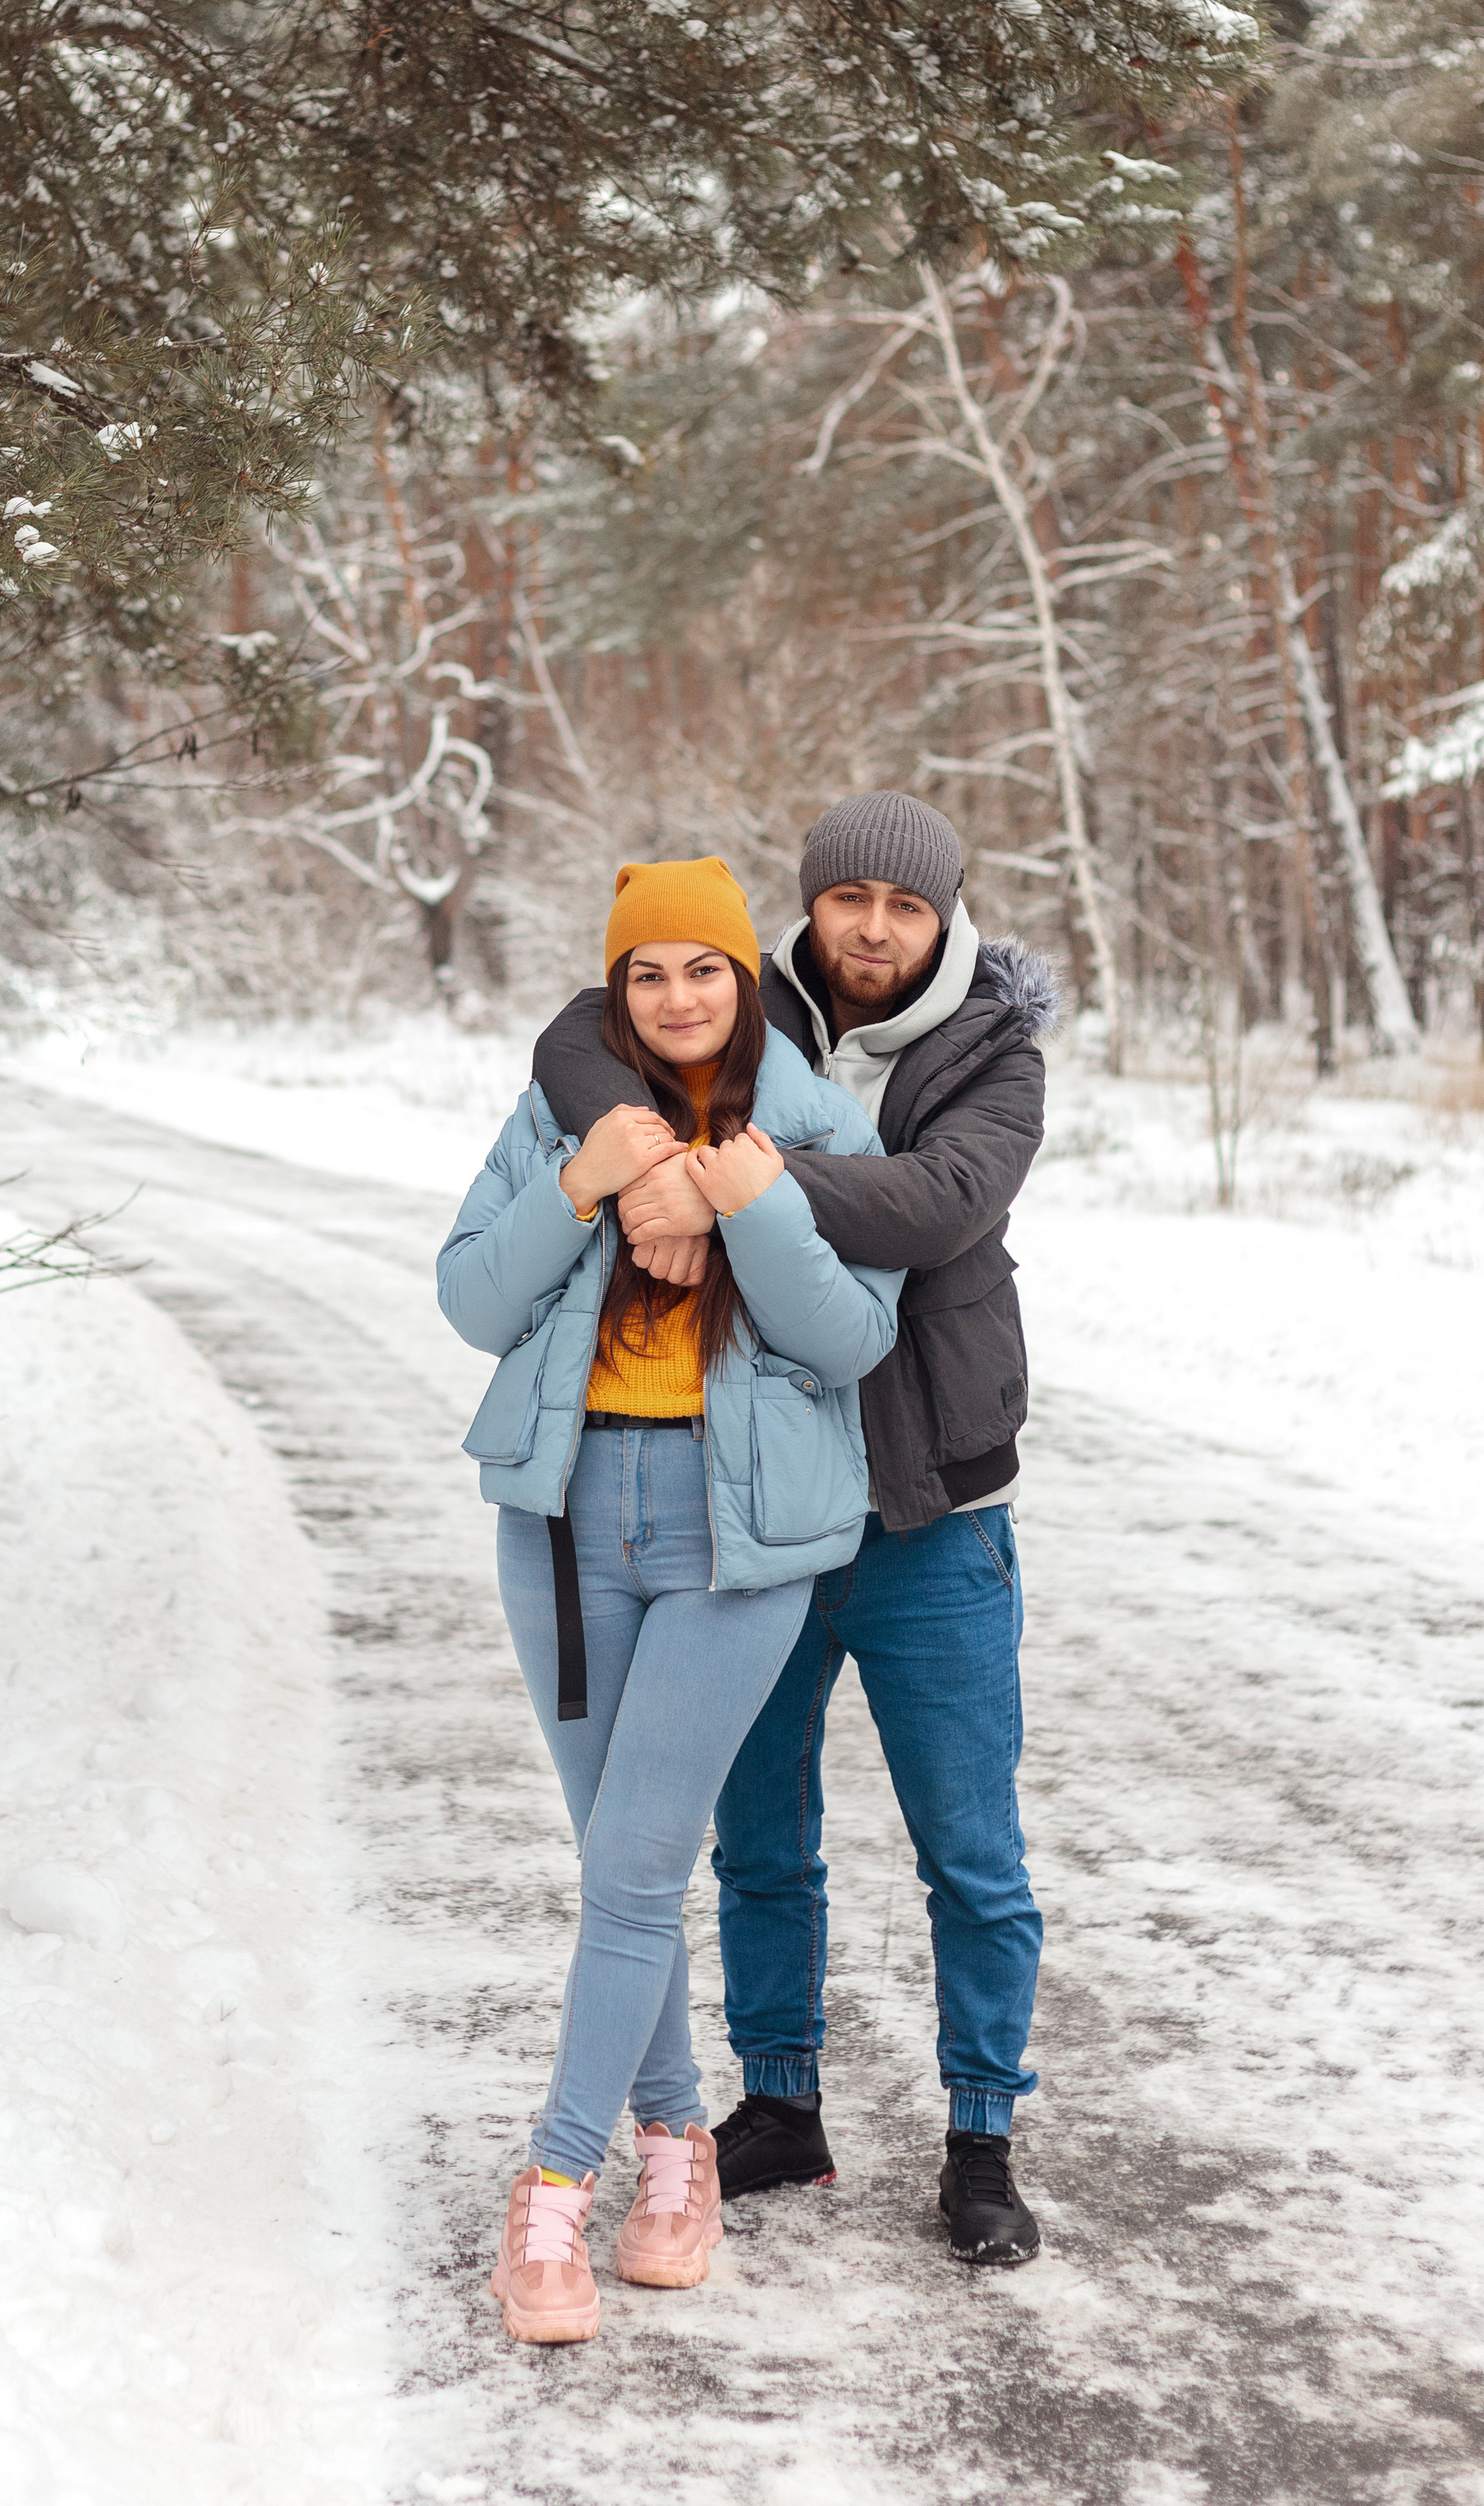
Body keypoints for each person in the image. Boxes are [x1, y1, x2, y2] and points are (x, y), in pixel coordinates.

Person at [532, 791, 1056, 2266]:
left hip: (932, 1510)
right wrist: (635, 1150)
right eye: (847, 902)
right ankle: (778, 2103)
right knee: (757, 1838)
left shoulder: (992, 1050)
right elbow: (574, 1038)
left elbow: (938, 1204)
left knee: (967, 1847)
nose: (872, 929)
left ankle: (979, 2137)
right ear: (808, 907)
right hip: (755, 1511)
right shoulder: (727, 999)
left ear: (943, 916)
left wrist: (719, 1178)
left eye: (902, 906)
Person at [437, 856, 903, 2346]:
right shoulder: (561, 1118)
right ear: (616, 989)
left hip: (733, 1544)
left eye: (703, 967)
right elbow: (468, 1302)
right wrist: (582, 1185)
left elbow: (848, 1342)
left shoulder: (821, 1129)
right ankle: (676, 2149)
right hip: (565, 1536)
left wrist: (752, 1208)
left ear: (742, 975)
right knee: (616, 1872)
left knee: (636, 1869)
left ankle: (555, 2190)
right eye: (646, 973)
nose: (679, 996)